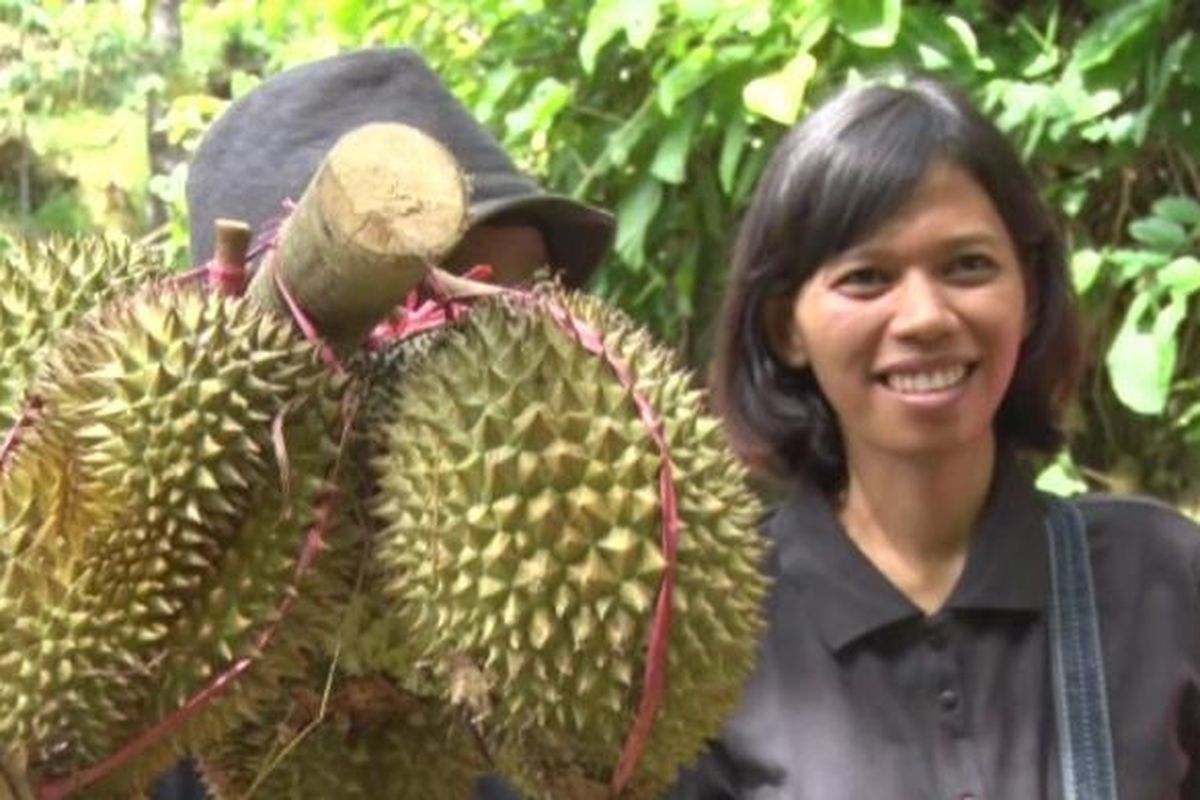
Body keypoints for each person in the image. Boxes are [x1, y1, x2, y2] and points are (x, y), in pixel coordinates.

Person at [667, 75, 1200, 798]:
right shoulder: (711, 631)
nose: (923, 316)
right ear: (785, 327)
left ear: (1031, 293)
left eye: (968, 266)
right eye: (866, 278)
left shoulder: (1164, 580)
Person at [154, 47, 615, 800]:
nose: (512, 381)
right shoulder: (133, 724)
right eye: (423, 311)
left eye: (518, 305)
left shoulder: (565, 713)